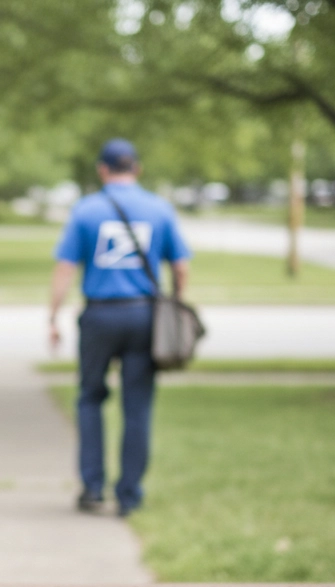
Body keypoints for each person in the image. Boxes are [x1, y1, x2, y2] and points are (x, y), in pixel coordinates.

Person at [48, 139, 191, 517]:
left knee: (90, 399)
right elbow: (180, 266)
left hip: (99, 316)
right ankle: (129, 495)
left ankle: (92, 489)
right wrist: (175, 303)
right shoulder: (160, 209)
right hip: (144, 316)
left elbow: (65, 268)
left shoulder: (86, 210)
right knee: (137, 407)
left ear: (102, 169)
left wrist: (53, 316)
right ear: (137, 169)